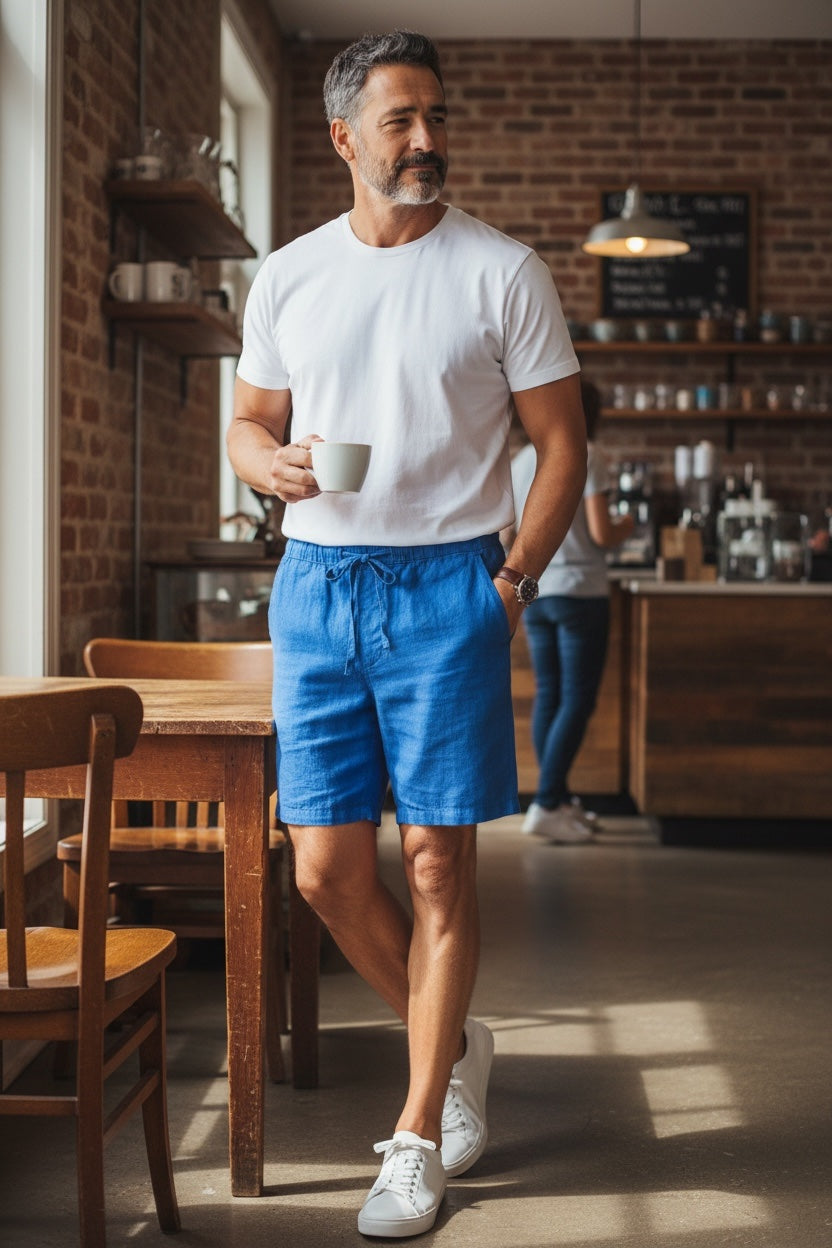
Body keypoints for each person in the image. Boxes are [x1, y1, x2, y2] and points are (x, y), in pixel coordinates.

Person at [227, 30, 586, 1238]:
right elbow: (247, 422)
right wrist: (264, 463)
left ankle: (417, 1130)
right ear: (343, 137)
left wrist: (516, 577)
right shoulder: (287, 276)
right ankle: (460, 1035)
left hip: (451, 587)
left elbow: (562, 445)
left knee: (436, 863)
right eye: (399, 121)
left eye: (435, 116)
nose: (426, 139)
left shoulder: (502, 271)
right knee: (324, 871)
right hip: (318, 582)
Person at [511, 380, 634, 844]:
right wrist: (629, 524)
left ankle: (557, 799)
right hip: (581, 592)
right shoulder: (585, 451)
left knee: (551, 695)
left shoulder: (521, 460)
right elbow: (602, 533)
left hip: (536, 589)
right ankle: (545, 803)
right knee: (577, 700)